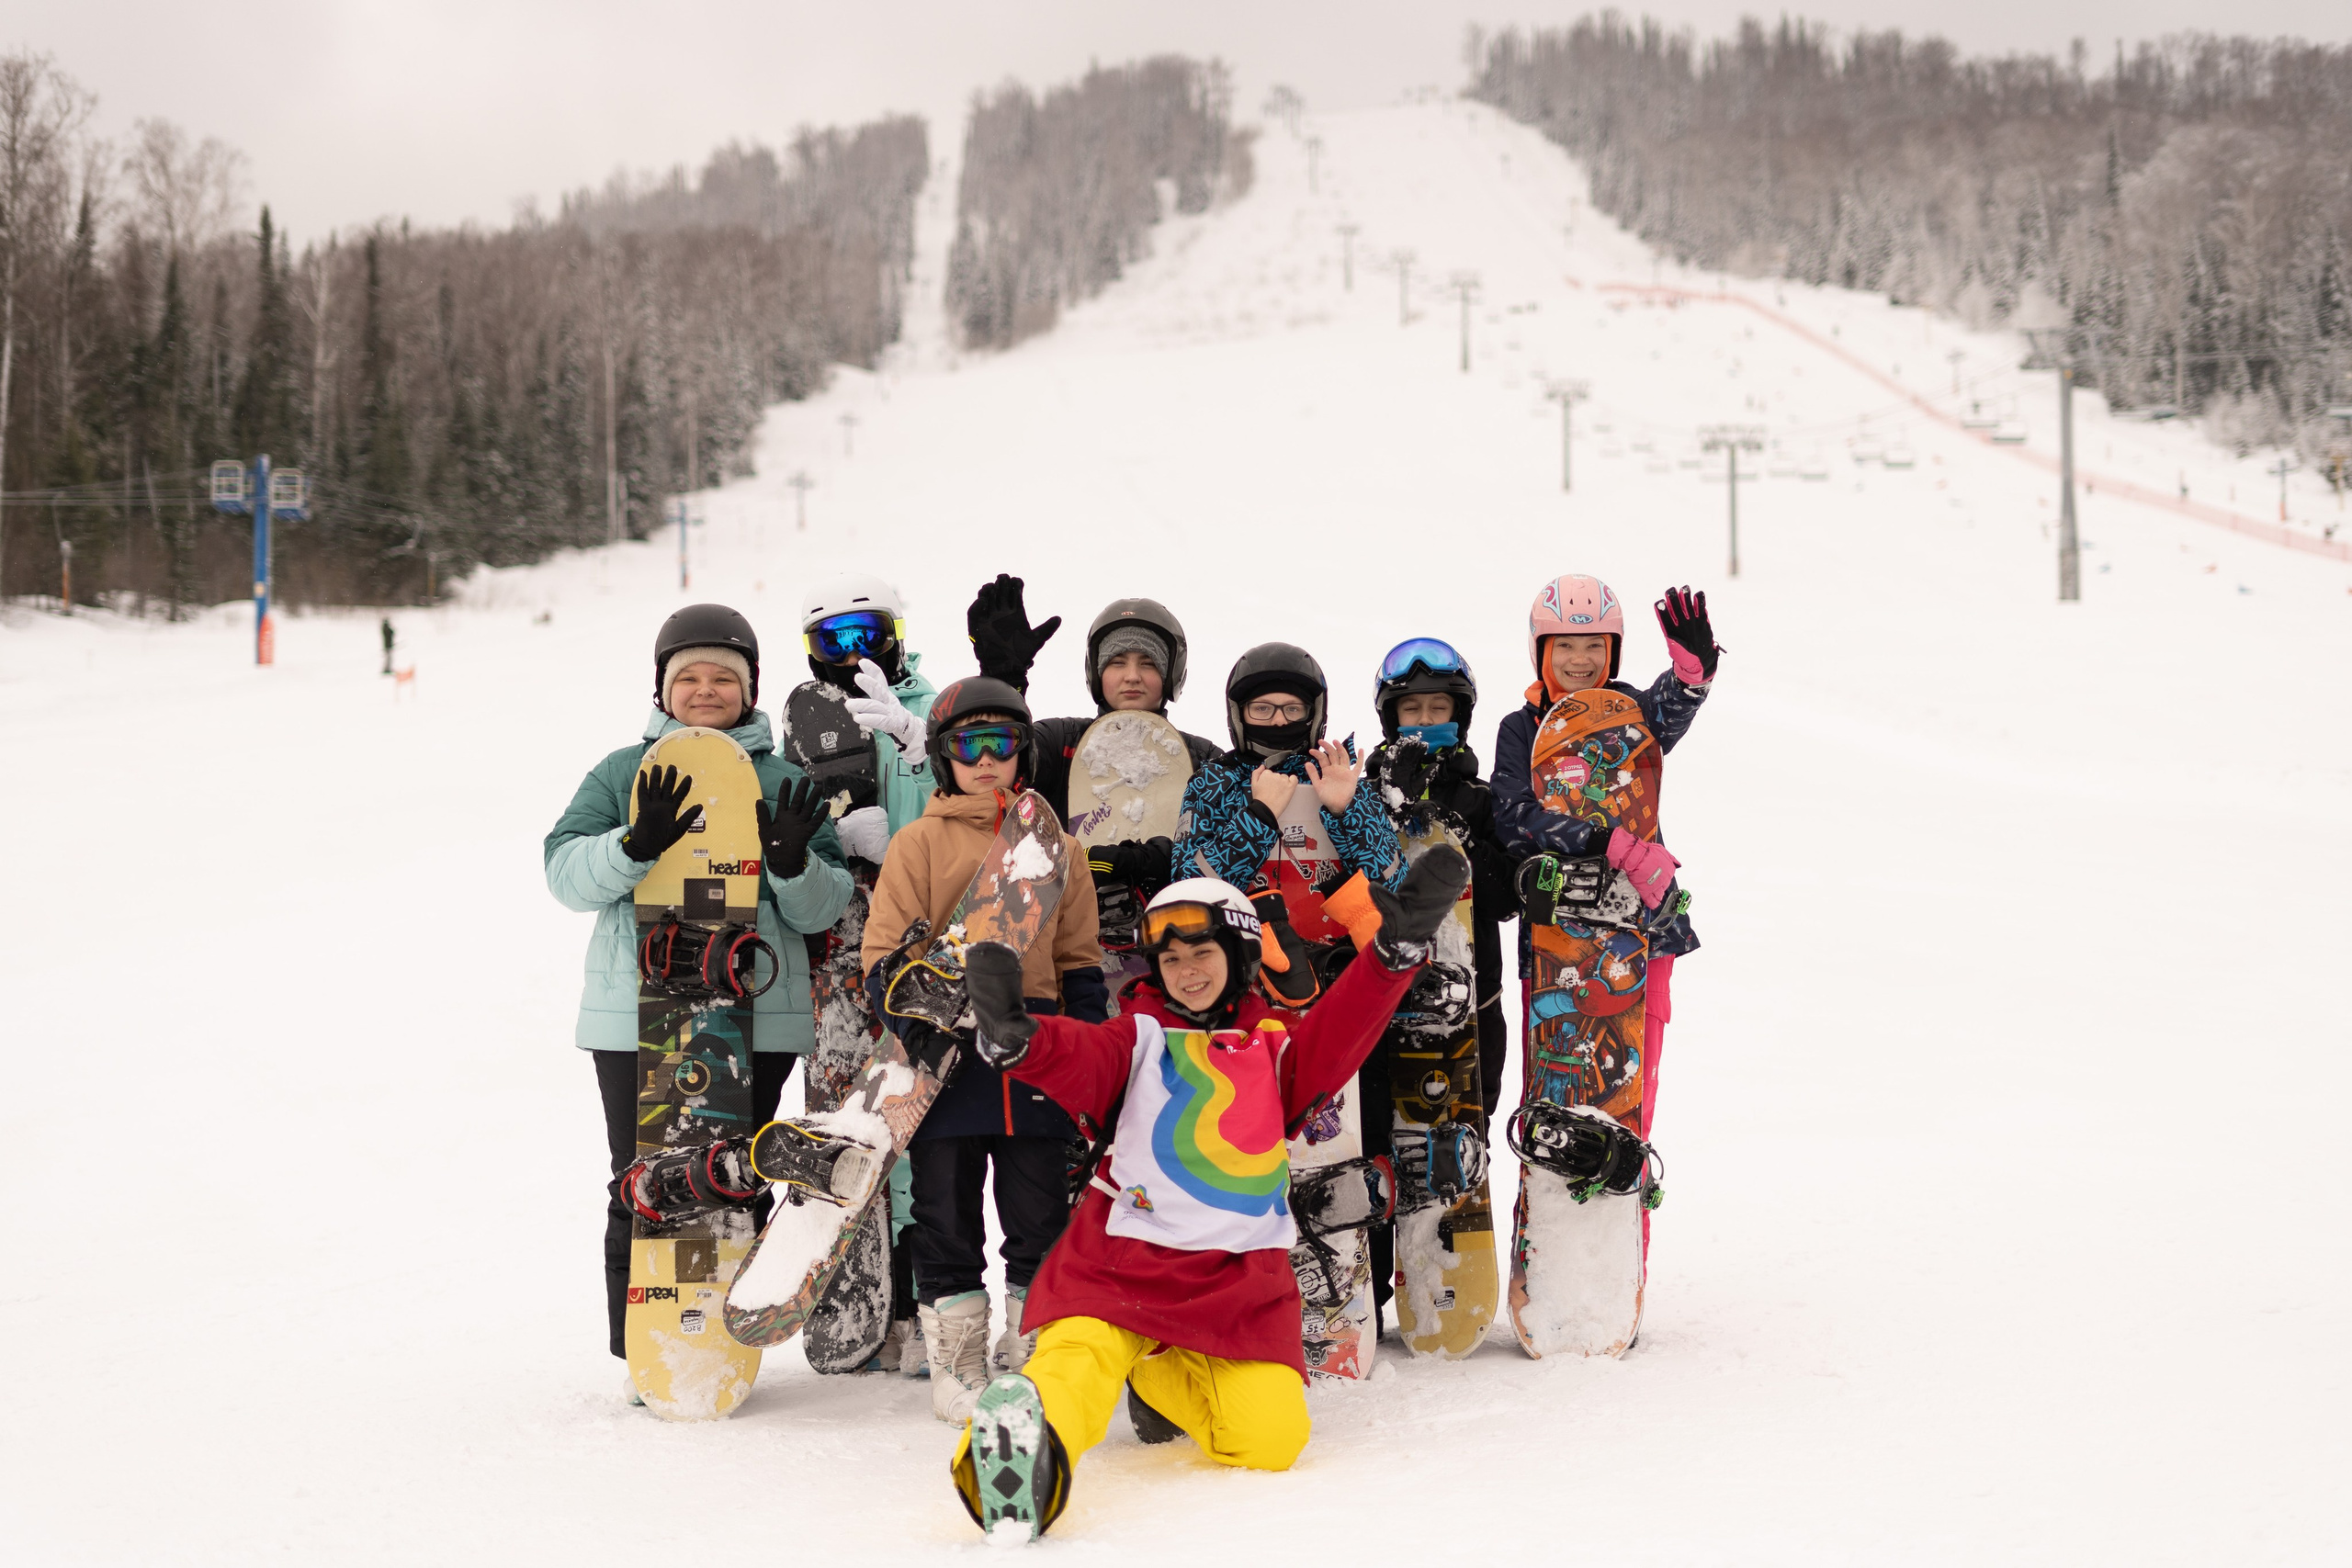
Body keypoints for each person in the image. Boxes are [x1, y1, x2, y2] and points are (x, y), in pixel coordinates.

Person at [941, 852, 1471, 1540]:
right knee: (1074, 1374)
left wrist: (1390, 958)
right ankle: (1008, 1470)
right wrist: (1022, 1042)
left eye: (1203, 952)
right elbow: (1082, 1055)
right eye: (1170, 960)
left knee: (1274, 1437)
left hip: (1235, 1283)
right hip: (1118, 1263)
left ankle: (1158, 1366)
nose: (1186, 971)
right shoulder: (1140, 1038)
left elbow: (1341, 1035)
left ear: (1242, 956)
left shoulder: (1273, 1050)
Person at [541, 604, 854, 1403]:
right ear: (663, 686)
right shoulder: (620, 772)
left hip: (757, 1011)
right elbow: (564, 875)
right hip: (634, 1011)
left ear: (749, 688)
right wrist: (632, 845)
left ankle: (720, 1330)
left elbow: (824, 908)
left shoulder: (784, 779)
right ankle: (641, 1349)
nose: (707, 689)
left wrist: (789, 865)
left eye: (725, 677)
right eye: (690, 677)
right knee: (642, 1174)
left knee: (729, 1174)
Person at [858, 676, 1108, 1422]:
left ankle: (1034, 1350)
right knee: (945, 1215)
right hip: (945, 1064)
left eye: (1004, 744)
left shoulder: (1059, 848)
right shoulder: (920, 842)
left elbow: (1079, 962)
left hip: (1033, 1051)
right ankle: (958, 1363)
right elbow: (882, 953)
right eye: (971, 745)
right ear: (944, 759)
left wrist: (1090, 1061)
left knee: (1039, 1216)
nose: (989, 759)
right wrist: (916, 1025)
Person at [1490, 576, 1719, 1155]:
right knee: (1559, 1083)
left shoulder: (1632, 711)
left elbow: (1667, 714)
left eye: (1595, 645)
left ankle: (1622, 1228)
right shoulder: (1521, 729)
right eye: (1564, 645)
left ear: (1613, 651)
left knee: (1631, 1093)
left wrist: (1693, 674)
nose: (1580, 659)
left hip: (1644, 929)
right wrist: (1612, 844)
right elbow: (1516, 819)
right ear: (1541, 650)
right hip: (1557, 935)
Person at [1355, 637, 1521, 1323]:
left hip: (1467, 1002)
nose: (1426, 718)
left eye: (1440, 707)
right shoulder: (1362, 796)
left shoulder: (1483, 799)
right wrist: (1390, 810)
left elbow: (1507, 891)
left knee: (1453, 1126)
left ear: (1463, 714)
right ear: (1391, 717)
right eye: (1412, 707)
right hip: (1380, 998)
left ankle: (1449, 1275)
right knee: (1375, 1137)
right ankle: (1366, 1281)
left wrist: (1444, 822)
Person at [798, 572, 940, 1371]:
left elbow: (964, 812)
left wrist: (913, 756)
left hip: (920, 932)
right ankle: (860, 1291)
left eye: (866, 633)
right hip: (842, 949)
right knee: (852, 1107)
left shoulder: (925, 709)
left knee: (919, 1116)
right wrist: (823, 846)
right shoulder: (802, 719)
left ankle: (924, 1299)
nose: (851, 655)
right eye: (832, 640)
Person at [966, 576, 1220, 976]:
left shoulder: (1202, 757)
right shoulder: (1060, 740)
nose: (1132, 676)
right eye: (1117, 662)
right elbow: (996, 772)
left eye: (1148, 663)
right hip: (1062, 934)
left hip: (1173, 939)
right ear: (1096, 672)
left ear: (1172, 674)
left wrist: (1157, 859)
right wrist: (1003, 681)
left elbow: (1227, 844)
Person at [1167, 643, 1404, 982]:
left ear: (1314, 714)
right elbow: (1186, 891)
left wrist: (1346, 811)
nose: (1278, 721)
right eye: (1262, 709)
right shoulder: (1213, 782)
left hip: (1341, 970)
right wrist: (1258, 816)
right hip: (1236, 972)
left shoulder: (1343, 781)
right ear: (1239, 714)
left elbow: (1396, 890)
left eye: (1293, 709)